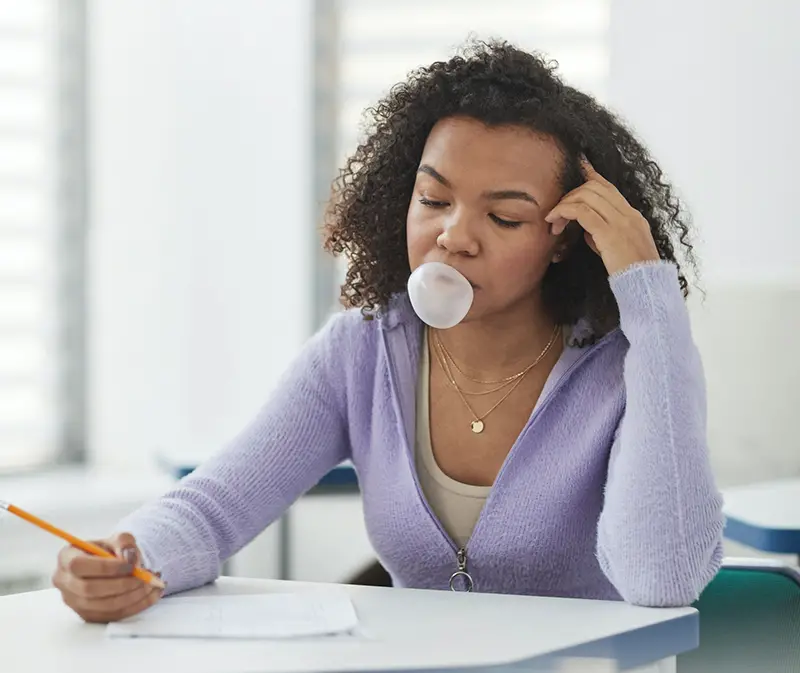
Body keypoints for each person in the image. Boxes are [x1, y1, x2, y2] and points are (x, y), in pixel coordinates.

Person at [52, 40, 724, 623]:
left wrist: (649, 295)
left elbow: (662, 579)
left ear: (565, 238)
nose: (454, 236)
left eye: (506, 217)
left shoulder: (624, 364)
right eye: (433, 200)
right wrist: (125, 557)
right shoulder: (361, 349)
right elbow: (214, 504)